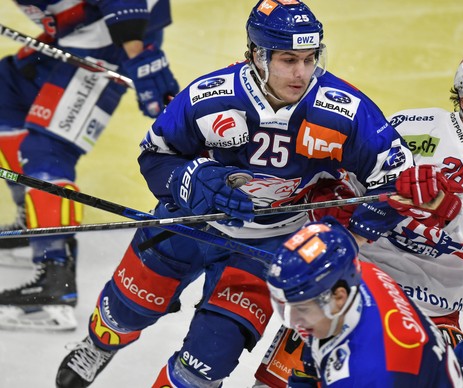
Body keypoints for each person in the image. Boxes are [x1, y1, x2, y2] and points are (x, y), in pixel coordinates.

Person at [55, 1, 414, 387]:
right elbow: (156, 157)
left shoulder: (344, 111)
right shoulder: (211, 96)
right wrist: (197, 180)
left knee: (205, 365)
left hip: (268, 246)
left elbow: (398, 177)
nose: (301, 73)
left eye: (310, 59)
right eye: (288, 59)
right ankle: (99, 346)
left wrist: (353, 234)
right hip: (189, 225)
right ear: (257, 56)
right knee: (124, 310)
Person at [254, 45, 463, 386]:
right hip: (357, 282)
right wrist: (337, 197)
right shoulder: (413, 125)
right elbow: (353, 178)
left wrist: (445, 204)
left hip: (433, 306)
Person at [0, 0, 179, 331]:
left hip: (112, 40)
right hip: (76, 33)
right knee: (5, 92)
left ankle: (55, 281)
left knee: (47, 148)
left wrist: (139, 56)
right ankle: (36, 223)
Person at [265, 217, 463, 387]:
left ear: (338, 298)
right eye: (286, 307)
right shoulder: (366, 274)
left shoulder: (368, 374)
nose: (294, 322)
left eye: (302, 308)